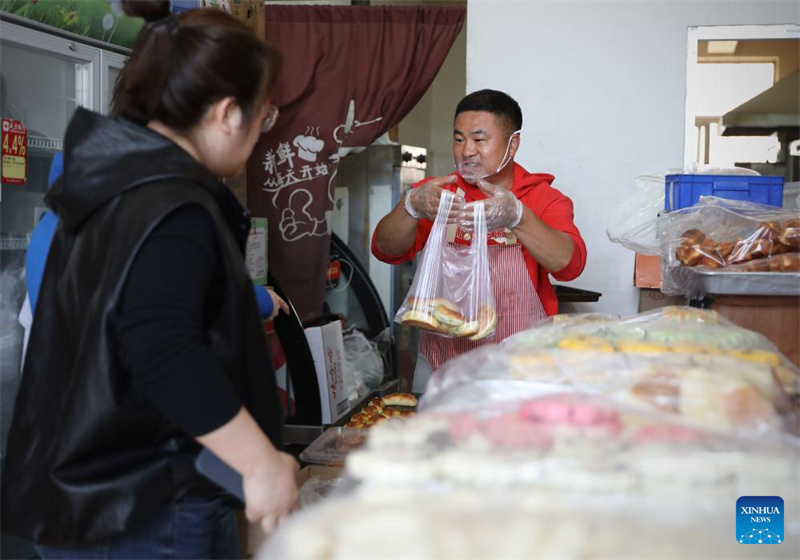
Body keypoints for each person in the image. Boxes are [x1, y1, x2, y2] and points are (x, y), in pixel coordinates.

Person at [1, 2, 298, 558]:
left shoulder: (116, 181)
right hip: (145, 506)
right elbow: (160, 346)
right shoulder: (169, 202)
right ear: (229, 112)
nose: (263, 130)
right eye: (266, 115)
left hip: (105, 493)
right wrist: (261, 466)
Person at [372, 90, 587, 391]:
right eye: (459, 139)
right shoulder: (438, 194)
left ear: (513, 144)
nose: (466, 151)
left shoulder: (541, 198)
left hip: (519, 367)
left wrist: (519, 217)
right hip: (441, 366)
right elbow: (385, 249)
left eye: (479, 139)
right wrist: (410, 206)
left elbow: (570, 264)